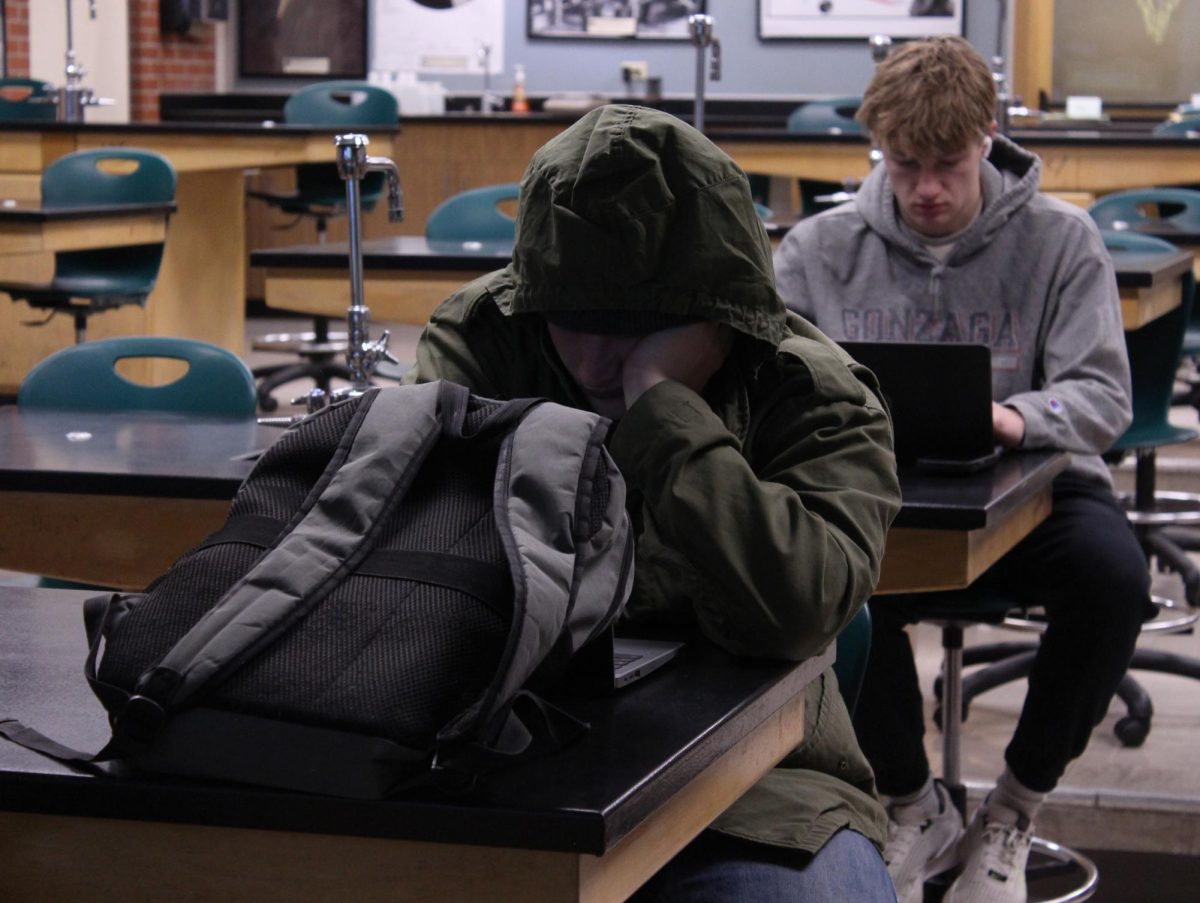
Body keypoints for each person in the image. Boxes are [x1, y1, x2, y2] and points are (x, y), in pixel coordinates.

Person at [404, 103, 902, 900]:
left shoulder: (809, 388)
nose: (598, 357)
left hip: (756, 785)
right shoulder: (489, 341)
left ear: (715, 309)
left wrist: (661, 406)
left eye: (635, 327)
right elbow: (425, 555)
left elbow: (803, 603)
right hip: (497, 759)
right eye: (575, 322)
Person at [773, 35, 1153, 903]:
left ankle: (1014, 806)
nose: (927, 189)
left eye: (948, 163)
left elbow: (1102, 393)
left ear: (988, 137)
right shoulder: (818, 250)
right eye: (905, 166)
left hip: (1034, 503)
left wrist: (1012, 418)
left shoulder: (1062, 241)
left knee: (1114, 579)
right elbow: (771, 384)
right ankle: (912, 802)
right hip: (878, 507)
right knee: (814, 582)